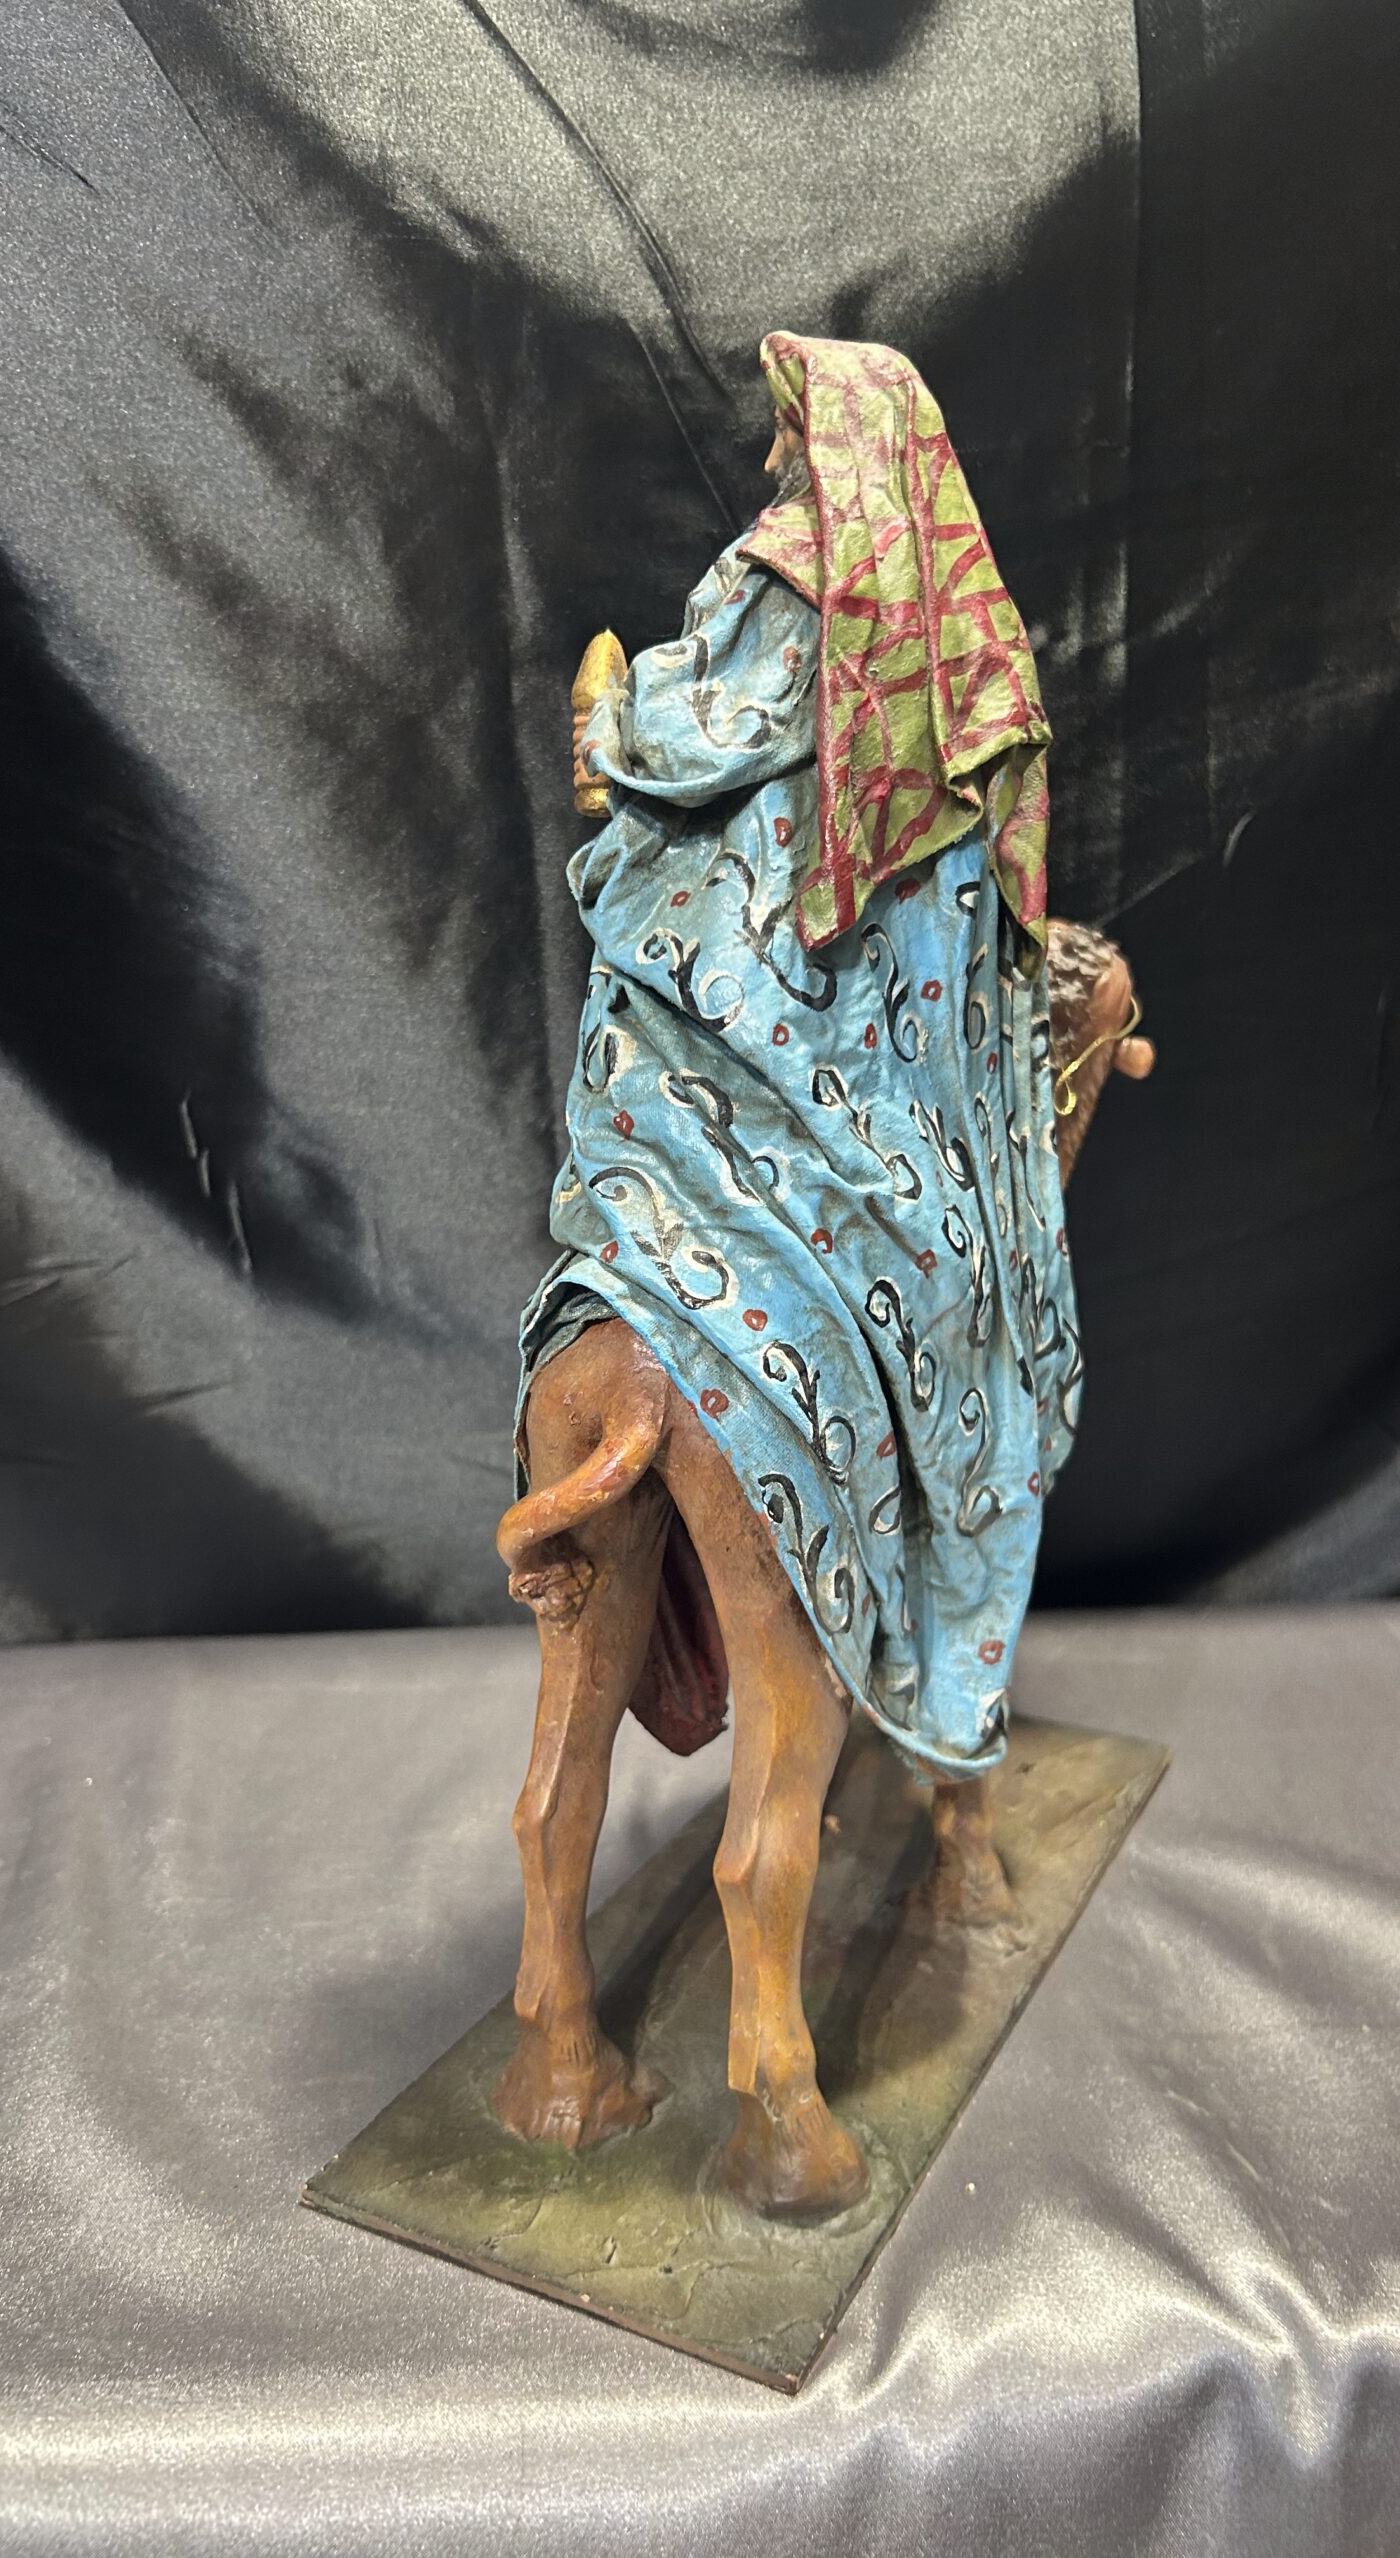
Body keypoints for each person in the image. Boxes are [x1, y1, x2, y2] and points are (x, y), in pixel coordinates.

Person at [519, 331, 1079, 1787]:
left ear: (830, 442)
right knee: (956, 1237)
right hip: (907, 1025)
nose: (774, 452)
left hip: (787, 971)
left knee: (659, 1001)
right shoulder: (976, 634)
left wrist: (618, 704)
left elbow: (693, 735)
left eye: (789, 427)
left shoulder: (784, 571)